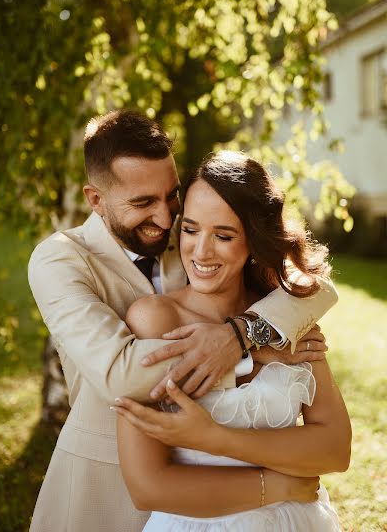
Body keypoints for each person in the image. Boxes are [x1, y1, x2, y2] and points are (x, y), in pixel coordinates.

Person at [28, 110, 338, 532]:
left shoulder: (192, 234)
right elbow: (118, 373)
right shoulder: (59, 259)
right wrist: (251, 353)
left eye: (171, 196)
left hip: (216, 485)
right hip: (103, 483)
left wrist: (245, 329)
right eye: (142, 203)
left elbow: (315, 286)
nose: (165, 217)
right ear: (96, 199)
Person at [114, 151, 351, 531]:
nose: (201, 252)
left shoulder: (281, 316)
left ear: (254, 242)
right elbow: (149, 487)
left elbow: (335, 450)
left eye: (223, 235)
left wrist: (216, 438)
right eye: (190, 230)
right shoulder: (158, 319)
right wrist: (277, 483)